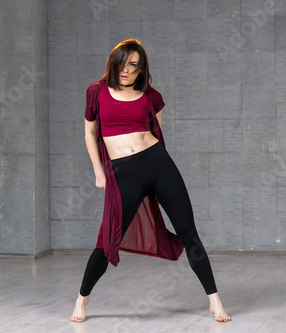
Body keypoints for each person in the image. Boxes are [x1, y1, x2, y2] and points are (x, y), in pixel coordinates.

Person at [69, 38, 231, 323]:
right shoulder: (96, 92)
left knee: (188, 232)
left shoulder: (150, 96)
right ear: (113, 62)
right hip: (123, 173)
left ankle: (215, 301)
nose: (126, 69)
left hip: (158, 165)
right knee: (108, 241)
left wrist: (153, 160)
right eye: (122, 62)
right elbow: (89, 132)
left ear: (141, 70)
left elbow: (155, 130)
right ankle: (81, 301)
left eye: (133, 65)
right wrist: (99, 171)